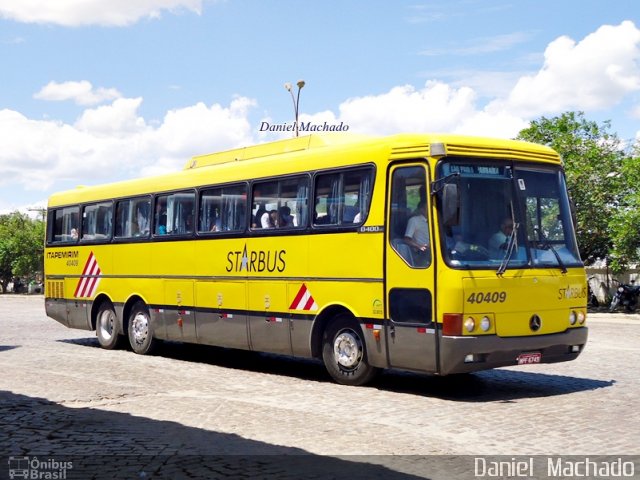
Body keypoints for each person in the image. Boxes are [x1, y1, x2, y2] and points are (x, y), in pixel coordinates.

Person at [403, 200, 430, 266]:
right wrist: (419, 246)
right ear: (422, 210)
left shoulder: (434, 220)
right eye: (428, 208)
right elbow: (406, 239)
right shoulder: (414, 221)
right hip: (423, 253)